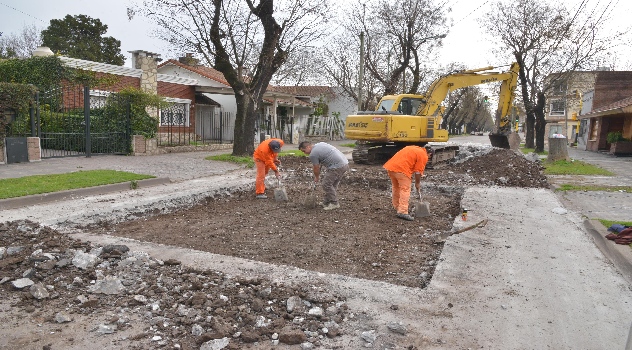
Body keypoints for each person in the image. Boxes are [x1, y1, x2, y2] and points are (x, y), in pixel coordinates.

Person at [383, 145, 430, 221]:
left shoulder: (413, 148)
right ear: (430, 154)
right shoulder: (423, 155)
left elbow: (411, 162)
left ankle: (397, 206)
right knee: (405, 189)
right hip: (402, 170)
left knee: (396, 187)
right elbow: (418, 172)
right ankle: (402, 211)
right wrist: (417, 183)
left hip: (391, 167)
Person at [298, 141, 349, 210]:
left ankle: (334, 203)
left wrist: (316, 177)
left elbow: (316, 167)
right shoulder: (319, 144)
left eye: (304, 151)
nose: (304, 153)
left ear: (308, 147)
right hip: (344, 164)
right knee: (332, 184)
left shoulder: (313, 154)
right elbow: (322, 159)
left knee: (326, 184)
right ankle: (326, 202)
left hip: (336, 166)